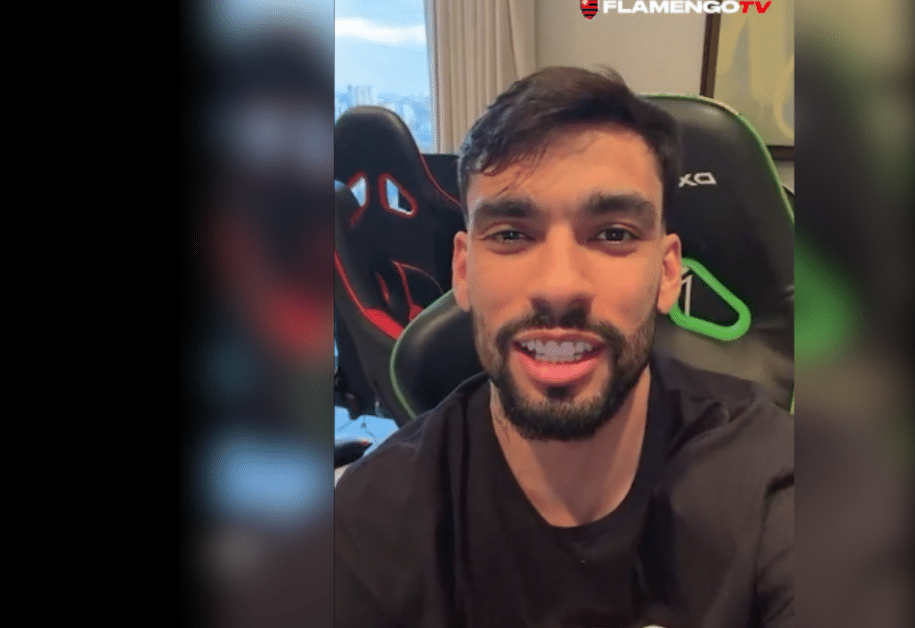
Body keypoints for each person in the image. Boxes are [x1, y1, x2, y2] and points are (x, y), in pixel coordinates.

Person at [334, 66, 793, 628]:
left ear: (669, 272)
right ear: (464, 270)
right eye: (511, 234)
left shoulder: (774, 480)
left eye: (613, 234)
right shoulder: (371, 518)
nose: (558, 287)